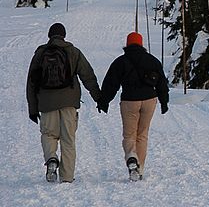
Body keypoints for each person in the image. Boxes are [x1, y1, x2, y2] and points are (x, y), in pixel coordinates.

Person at [26, 22, 102, 183]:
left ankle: (52, 159)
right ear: (64, 35)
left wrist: (33, 108)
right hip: (69, 102)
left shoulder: (40, 54)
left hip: (46, 102)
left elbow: (31, 82)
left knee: (48, 134)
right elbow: (87, 75)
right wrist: (99, 98)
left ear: (49, 35)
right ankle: (67, 177)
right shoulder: (73, 52)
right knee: (68, 139)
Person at [97, 32, 169, 181]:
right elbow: (162, 83)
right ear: (141, 44)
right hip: (149, 101)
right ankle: (140, 169)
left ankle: (131, 157)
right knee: (142, 135)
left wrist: (104, 101)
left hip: (130, 101)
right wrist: (164, 101)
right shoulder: (152, 61)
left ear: (127, 44)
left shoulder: (120, 62)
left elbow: (111, 84)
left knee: (129, 135)